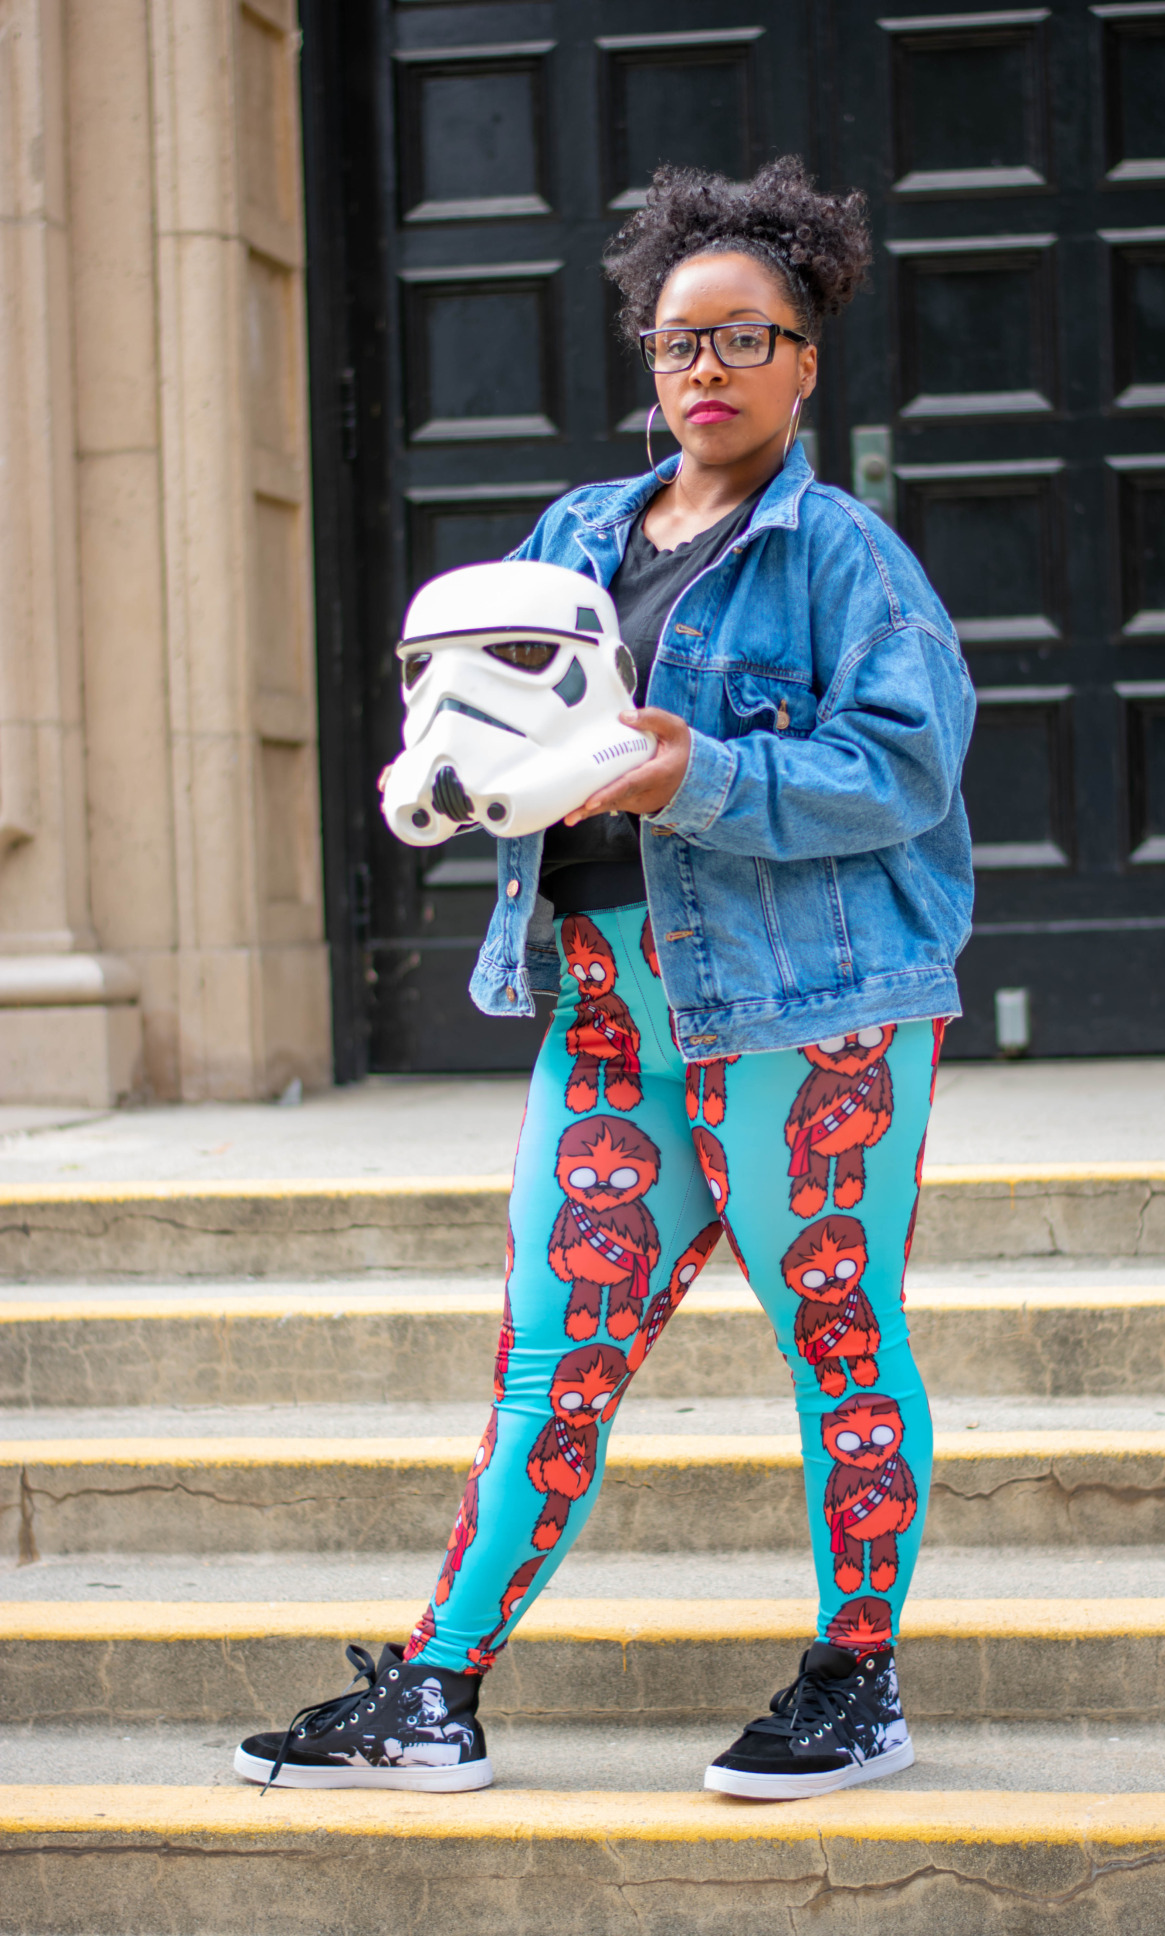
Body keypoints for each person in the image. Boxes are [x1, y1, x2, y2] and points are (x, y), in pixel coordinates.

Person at [235, 157, 975, 1801]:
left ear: (806, 358)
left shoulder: (843, 557)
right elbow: (492, 718)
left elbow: (906, 770)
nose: (702, 370)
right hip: (602, 1009)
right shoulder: (575, 532)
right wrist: (436, 779)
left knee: (840, 1338)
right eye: (675, 342)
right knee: (546, 1356)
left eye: (740, 338)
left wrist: (690, 772)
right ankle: (435, 1691)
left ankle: (858, 1680)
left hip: (808, 1016)